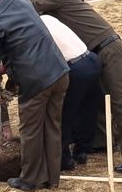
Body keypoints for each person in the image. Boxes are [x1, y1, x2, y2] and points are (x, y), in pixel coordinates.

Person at [32, 0, 122, 172]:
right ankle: (100, 142)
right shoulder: (55, 3)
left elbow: (32, 7)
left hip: (108, 49)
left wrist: (18, 1)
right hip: (96, 51)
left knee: (120, 102)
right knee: (98, 97)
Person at [0, 0, 70, 192]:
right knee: (52, 125)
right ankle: (52, 178)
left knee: (30, 129)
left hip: (35, 80)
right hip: (59, 71)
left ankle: (30, 179)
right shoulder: (20, 0)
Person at [41, 13, 102, 171]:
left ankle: (64, 159)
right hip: (91, 59)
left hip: (75, 68)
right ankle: (83, 150)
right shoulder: (48, 18)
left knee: (63, 113)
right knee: (87, 108)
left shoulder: (35, 26)